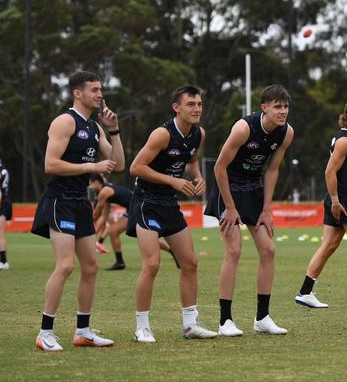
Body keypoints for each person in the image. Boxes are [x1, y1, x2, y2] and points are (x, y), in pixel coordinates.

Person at [31, 71, 125, 351]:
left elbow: (118, 164)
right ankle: (45, 333)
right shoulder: (64, 121)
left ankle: (83, 331)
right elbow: (50, 164)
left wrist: (114, 130)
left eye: (101, 89)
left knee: (92, 266)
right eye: (94, 89)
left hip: (79, 202)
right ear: (77, 93)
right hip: (59, 200)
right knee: (66, 265)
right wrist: (91, 167)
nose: (100, 94)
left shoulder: (94, 128)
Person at [128, 85, 216, 342]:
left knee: (189, 262)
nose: (197, 108)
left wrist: (198, 177)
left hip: (169, 204)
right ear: (176, 108)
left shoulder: (199, 134)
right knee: (152, 265)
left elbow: (191, 161)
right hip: (146, 202)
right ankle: (141, 327)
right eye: (190, 104)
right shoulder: (162, 135)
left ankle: (190, 325)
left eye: (199, 104)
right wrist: (173, 181)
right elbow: (136, 167)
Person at [207, 85, 294, 336]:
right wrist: (230, 208)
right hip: (229, 189)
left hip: (254, 191)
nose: (283, 111)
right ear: (263, 107)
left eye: (286, 106)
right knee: (234, 251)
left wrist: (267, 209)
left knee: (269, 249)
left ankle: (262, 318)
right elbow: (219, 168)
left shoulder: (286, 133)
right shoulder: (243, 128)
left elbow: (273, 170)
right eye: (277, 106)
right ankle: (225, 321)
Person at [296, 101, 347, 309]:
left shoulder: (346, 139)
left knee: (329, 246)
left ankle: (305, 291)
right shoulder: (346, 141)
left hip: (338, 198)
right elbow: (329, 171)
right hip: (342, 199)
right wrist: (336, 201)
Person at [88, 174, 180, 271]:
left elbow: (97, 213)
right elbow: (104, 215)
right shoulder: (106, 190)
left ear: (97, 182)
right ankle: (173, 251)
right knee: (139, 236)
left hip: (136, 207)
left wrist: (88, 228)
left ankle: (120, 262)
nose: (90, 187)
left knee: (114, 231)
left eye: (91, 184)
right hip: (134, 207)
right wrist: (95, 232)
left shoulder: (104, 192)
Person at [0, 147, 12, 270]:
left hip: (0, 202)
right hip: (2, 202)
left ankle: (3, 261)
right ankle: (3, 260)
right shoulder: (2, 169)